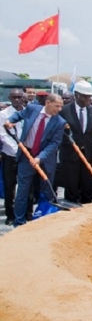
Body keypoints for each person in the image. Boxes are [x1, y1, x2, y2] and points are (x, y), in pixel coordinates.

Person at [5, 94, 66, 227]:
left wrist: (40, 158)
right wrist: (10, 120)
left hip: (45, 158)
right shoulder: (32, 109)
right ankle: (19, 221)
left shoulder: (60, 122)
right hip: (27, 155)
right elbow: (19, 115)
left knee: (47, 190)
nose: (60, 109)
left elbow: (54, 144)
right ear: (48, 103)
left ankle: (44, 221)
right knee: (22, 191)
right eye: (57, 106)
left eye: (61, 106)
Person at [58, 81, 92, 204]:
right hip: (70, 156)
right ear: (76, 95)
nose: (89, 99)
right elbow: (59, 133)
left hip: (89, 155)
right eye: (85, 96)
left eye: (90, 96)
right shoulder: (64, 111)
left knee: (87, 188)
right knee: (71, 188)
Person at [0, 89, 26, 225]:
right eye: (14, 97)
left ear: (23, 98)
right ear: (9, 98)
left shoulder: (28, 112)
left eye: (19, 97)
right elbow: (2, 135)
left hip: (26, 155)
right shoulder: (3, 114)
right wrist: (17, 150)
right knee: (10, 186)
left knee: (26, 185)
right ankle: (10, 215)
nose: (17, 99)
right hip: (10, 155)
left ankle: (25, 213)